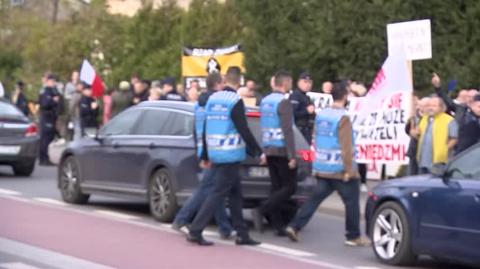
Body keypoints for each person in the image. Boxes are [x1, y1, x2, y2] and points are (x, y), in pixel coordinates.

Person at [285, 81, 370, 247]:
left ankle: (294, 226)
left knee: (314, 200)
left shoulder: (322, 115)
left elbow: (316, 139)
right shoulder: (343, 118)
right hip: (340, 170)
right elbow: (346, 146)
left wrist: (316, 166)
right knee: (352, 202)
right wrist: (350, 170)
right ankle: (353, 236)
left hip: (323, 168)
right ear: (345, 97)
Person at [187, 66, 263, 246]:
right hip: (231, 154)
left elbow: (205, 128)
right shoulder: (235, 100)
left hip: (215, 152)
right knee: (217, 193)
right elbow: (243, 128)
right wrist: (257, 151)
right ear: (240, 82)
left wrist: (205, 154)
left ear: (226, 79)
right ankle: (196, 230)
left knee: (236, 194)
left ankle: (242, 234)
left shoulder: (212, 99)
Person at [172, 72, 233, 239]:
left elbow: (196, 129)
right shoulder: (214, 104)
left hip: (203, 148)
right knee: (206, 189)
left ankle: (224, 227)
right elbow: (212, 128)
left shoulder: (199, 104)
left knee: (215, 189)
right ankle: (182, 219)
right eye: (223, 84)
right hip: (212, 150)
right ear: (218, 84)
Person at [251, 71, 297, 236]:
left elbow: (263, 126)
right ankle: (262, 209)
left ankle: (278, 226)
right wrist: (292, 155)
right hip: (282, 150)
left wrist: (264, 151)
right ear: (284, 84)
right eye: (290, 82)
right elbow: (287, 130)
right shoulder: (283, 102)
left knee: (276, 187)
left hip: (269, 149)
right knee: (290, 187)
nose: (291, 86)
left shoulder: (265, 101)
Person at [411, 96, 457, 174]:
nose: (430, 108)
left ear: (441, 107)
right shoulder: (424, 118)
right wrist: (414, 133)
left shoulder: (449, 120)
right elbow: (418, 136)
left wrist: (445, 149)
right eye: (429, 105)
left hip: (439, 162)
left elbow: (455, 138)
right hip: (422, 160)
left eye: (434, 106)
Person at [38, 74, 60, 165]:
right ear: (48, 81)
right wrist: (53, 100)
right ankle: (43, 158)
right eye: (52, 81)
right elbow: (45, 104)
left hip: (50, 117)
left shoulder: (52, 91)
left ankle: (44, 158)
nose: (54, 83)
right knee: (45, 138)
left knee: (48, 138)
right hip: (46, 116)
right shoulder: (46, 91)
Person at [405, 96, 430, 175]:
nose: (421, 108)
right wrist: (411, 131)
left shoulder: (431, 117)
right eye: (420, 106)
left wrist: (418, 134)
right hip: (414, 150)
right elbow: (407, 130)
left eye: (424, 106)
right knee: (411, 174)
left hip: (425, 151)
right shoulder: (414, 116)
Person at [289, 72, 315, 143]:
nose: (308, 85)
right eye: (305, 82)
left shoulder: (307, 97)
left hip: (307, 131)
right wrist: (306, 111)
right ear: (298, 82)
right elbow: (292, 113)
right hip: (299, 130)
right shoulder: (295, 96)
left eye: (310, 82)